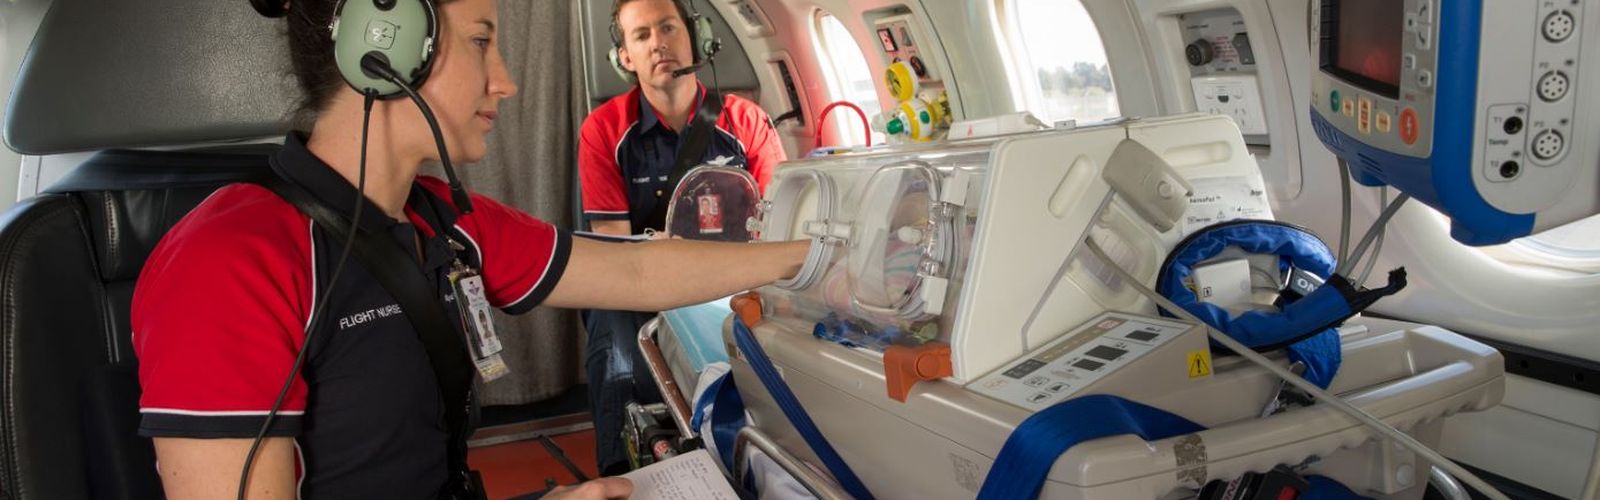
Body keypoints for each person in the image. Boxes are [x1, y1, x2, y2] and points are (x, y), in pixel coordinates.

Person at [130, 0, 808, 498]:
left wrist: (807, 258)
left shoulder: (446, 221)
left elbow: (635, 267)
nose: (506, 80)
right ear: (385, 44)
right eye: (482, 41)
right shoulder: (228, 260)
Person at [575, 0, 788, 474]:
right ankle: (623, 472)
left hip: (736, 279)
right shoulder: (604, 130)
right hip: (642, 286)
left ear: (696, 35)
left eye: (668, 27)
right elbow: (614, 249)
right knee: (613, 335)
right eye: (642, 35)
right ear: (624, 57)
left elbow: (777, 228)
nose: (659, 43)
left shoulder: (746, 121)